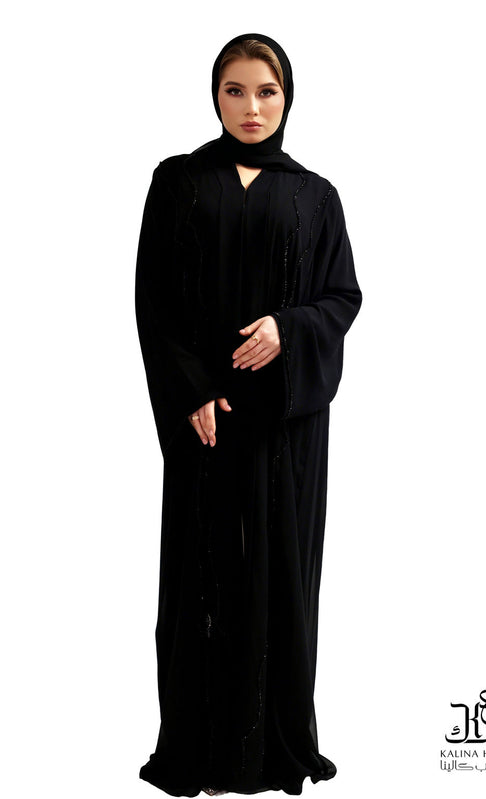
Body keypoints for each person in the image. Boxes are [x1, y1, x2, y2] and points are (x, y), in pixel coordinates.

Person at [135, 32, 363, 798]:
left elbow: (341, 296)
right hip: (203, 419)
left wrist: (288, 328)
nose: (251, 106)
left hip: (283, 424)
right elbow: (153, 298)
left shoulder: (315, 195)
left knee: (277, 574)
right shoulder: (177, 181)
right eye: (234, 90)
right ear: (215, 96)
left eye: (266, 91)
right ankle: (199, 747)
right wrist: (191, 391)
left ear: (287, 96)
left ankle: (273, 746)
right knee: (201, 572)